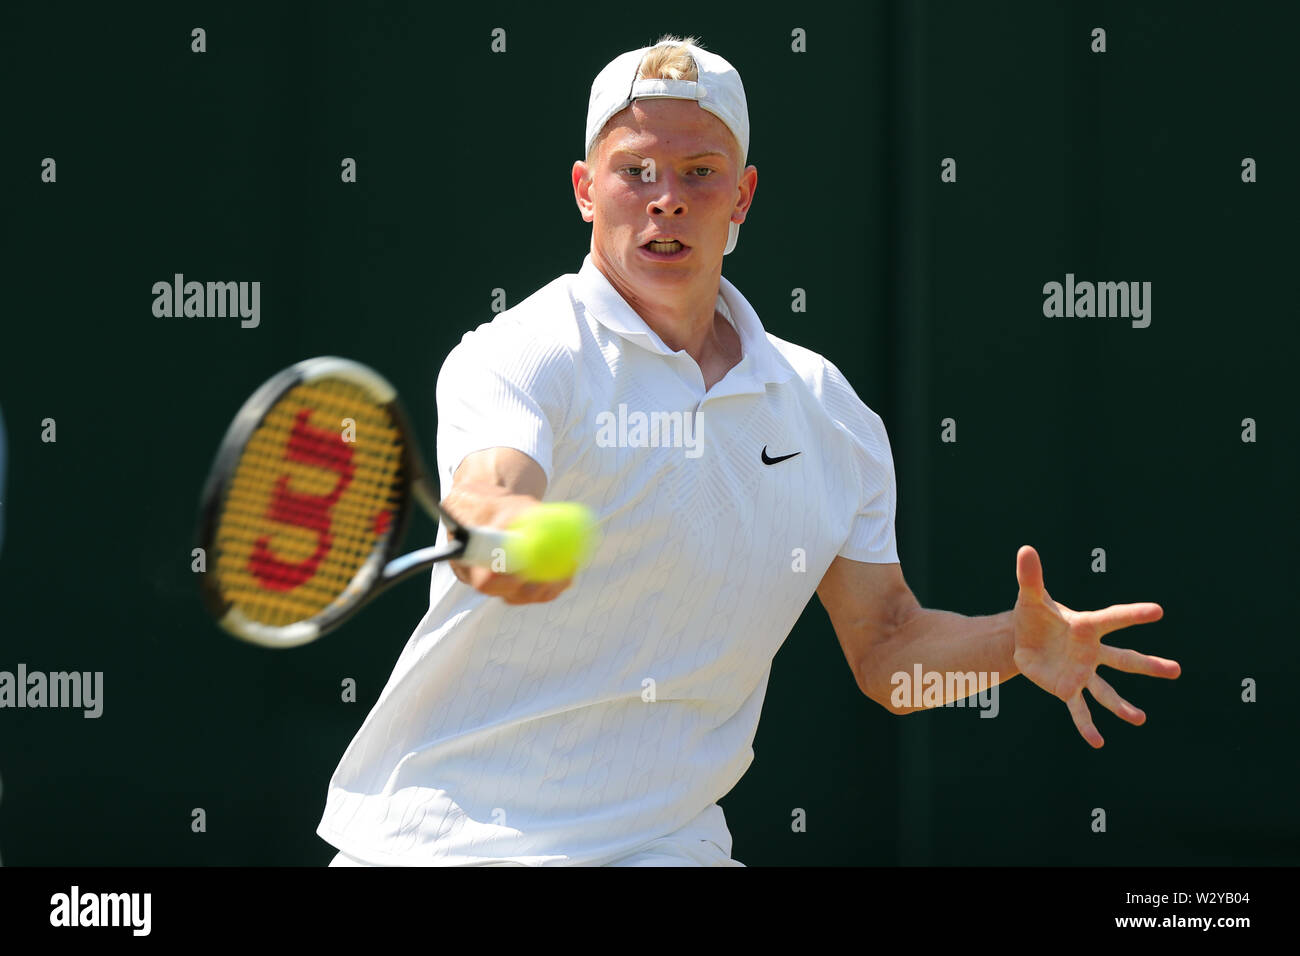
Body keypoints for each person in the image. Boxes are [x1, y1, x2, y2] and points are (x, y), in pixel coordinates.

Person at [316, 36, 1180, 867]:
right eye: (635, 172)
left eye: (699, 174)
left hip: (658, 846)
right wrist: (502, 535)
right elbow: (492, 489)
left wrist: (1012, 648)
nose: (666, 199)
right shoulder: (523, 353)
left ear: (743, 197)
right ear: (586, 189)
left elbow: (887, 654)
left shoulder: (826, 413)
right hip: (441, 841)